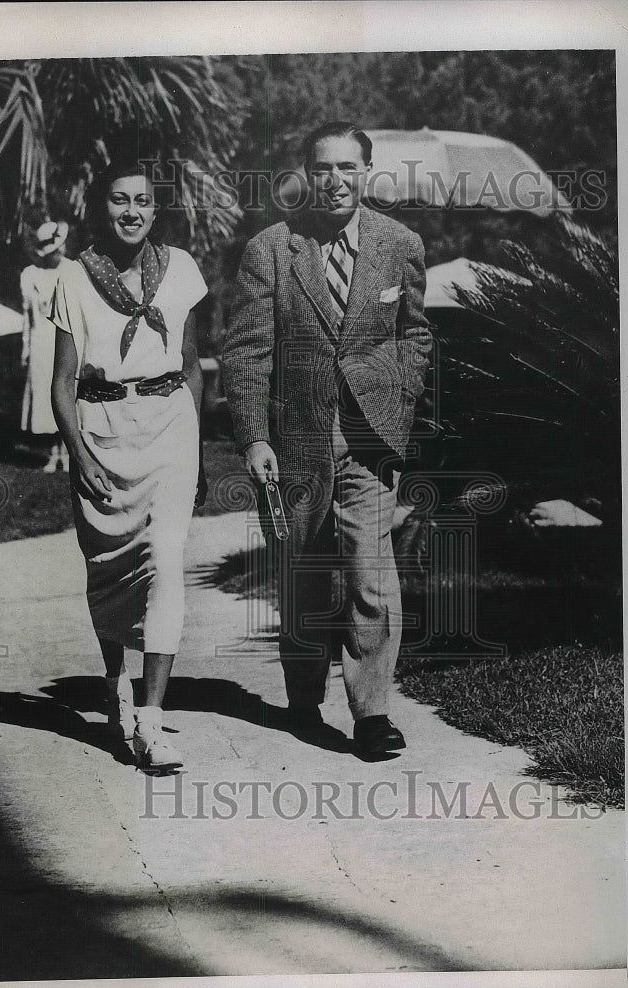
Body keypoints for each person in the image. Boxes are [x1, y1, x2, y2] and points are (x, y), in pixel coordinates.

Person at [221, 121, 432, 758]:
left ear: (366, 173)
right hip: (297, 439)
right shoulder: (273, 249)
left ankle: (372, 714)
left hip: (371, 438)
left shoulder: (400, 244)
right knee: (306, 572)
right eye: (323, 170)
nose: (336, 182)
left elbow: (416, 335)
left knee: (372, 575)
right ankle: (305, 693)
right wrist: (255, 437)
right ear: (306, 175)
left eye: (348, 169)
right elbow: (247, 352)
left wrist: (396, 393)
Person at [49, 157, 207, 772]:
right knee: (110, 569)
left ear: (156, 209)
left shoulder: (182, 271)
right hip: (102, 429)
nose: (132, 212)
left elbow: (192, 362)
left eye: (142, 201)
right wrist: (79, 454)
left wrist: (194, 444)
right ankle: (114, 684)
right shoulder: (72, 278)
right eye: (119, 200)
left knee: (165, 561)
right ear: (101, 207)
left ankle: (150, 716)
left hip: (169, 423)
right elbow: (62, 384)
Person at [20, 220, 72, 472]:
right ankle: (53, 453)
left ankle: (69, 452)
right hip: (41, 342)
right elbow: (27, 316)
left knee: (69, 393)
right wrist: (26, 348)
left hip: (67, 340)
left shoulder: (73, 271)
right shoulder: (30, 274)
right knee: (45, 397)